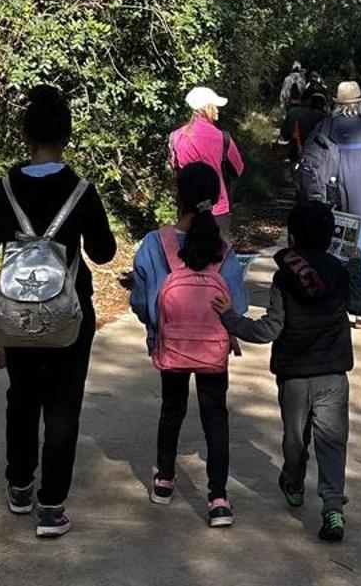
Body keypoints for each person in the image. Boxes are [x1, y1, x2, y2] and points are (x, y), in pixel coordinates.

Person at [0, 84, 117, 539]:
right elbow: (105, 252)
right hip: (70, 313)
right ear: (67, 135)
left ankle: (19, 485)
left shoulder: (4, 189)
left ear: (25, 134)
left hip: (18, 315)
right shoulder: (81, 191)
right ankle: (51, 507)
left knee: (22, 396)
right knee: (63, 405)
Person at [212, 202, 361, 543]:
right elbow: (360, 307)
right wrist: (356, 266)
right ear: (331, 238)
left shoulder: (285, 277)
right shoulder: (340, 272)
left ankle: (294, 481)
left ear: (292, 236)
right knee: (332, 441)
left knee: (295, 438)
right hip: (333, 374)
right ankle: (332, 508)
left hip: (295, 374)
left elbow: (269, 329)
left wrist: (230, 319)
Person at [129, 162, 250, 528]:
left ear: (176, 195)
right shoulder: (223, 250)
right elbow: (239, 306)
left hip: (171, 344)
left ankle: (165, 479)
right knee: (215, 415)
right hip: (213, 347)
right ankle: (217, 498)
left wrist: (155, 327)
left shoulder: (155, 243)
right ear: (214, 200)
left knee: (172, 408)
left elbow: (141, 301)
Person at [305, 81, 361, 325]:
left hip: (327, 207)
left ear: (336, 104)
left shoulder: (323, 127)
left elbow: (309, 165)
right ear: (360, 104)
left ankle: (330, 307)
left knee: (329, 257)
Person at [168, 86, 245, 239]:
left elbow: (174, 167)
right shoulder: (222, 138)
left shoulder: (175, 137)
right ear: (207, 108)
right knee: (218, 256)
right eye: (215, 106)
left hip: (188, 208)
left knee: (188, 255)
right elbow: (238, 169)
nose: (217, 110)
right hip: (217, 209)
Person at [280, 84, 326, 163]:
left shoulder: (292, 112)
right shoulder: (325, 117)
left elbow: (285, 135)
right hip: (317, 157)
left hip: (296, 155)